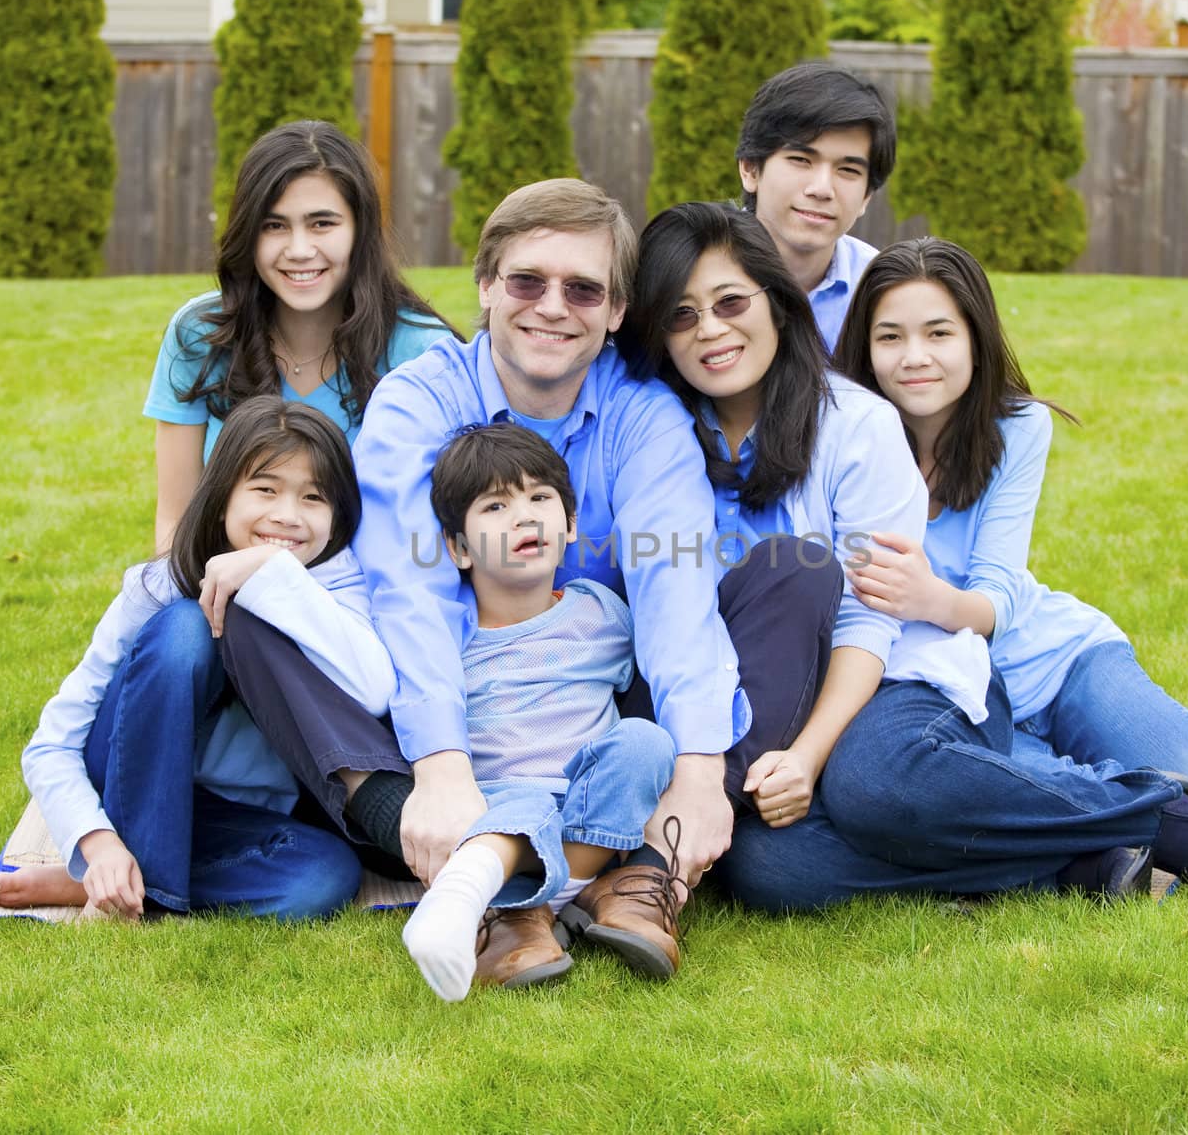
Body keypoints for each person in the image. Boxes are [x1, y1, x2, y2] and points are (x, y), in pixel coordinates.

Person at [621, 203, 1188, 910]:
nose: (710, 330)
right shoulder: (659, 435)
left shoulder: (857, 425)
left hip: (903, 673)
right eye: (681, 316)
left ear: (776, 303)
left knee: (870, 785)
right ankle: (1076, 862)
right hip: (766, 697)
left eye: (730, 302)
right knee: (768, 867)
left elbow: (870, 621)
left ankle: (1148, 810)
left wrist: (807, 758)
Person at [221, 179, 772, 978]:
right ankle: (563, 866)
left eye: (584, 289)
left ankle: (578, 874)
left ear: (617, 311)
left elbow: (672, 590)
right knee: (264, 622)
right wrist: (442, 767)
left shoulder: (644, 413)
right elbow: (411, 590)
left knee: (772, 599)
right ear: (485, 287)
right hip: (442, 699)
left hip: (590, 696)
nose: (553, 306)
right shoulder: (418, 399)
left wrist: (696, 772)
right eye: (527, 281)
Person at [832, 236, 1188, 831]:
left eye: (939, 333)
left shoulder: (1017, 428)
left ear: (976, 341)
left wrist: (930, 599)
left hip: (1051, 657)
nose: (915, 356)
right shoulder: (847, 439)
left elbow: (1000, 589)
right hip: (953, 694)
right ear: (865, 347)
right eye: (891, 336)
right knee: (1062, 789)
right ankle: (1185, 769)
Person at [0, 398, 394, 921]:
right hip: (132, 779)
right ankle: (114, 865)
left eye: (313, 498)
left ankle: (107, 885)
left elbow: (374, 689)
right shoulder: (159, 585)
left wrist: (273, 569)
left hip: (239, 817)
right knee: (187, 629)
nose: (287, 515)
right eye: (265, 489)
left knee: (324, 878)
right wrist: (97, 841)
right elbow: (51, 745)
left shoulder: (337, 582)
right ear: (222, 495)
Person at [399, 424, 675, 1001]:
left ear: (569, 524)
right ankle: (528, 898)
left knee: (644, 741)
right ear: (459, 548)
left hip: (591, 801)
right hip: (501, 805)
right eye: (496, 505)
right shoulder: (449, 635)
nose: (523, 517)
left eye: (540, 499)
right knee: (523, 806)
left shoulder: (603, 612)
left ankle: (521, 909)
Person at [144, 120, 454, 550]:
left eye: (322, 223)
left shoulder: (424, 351)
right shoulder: (200, 334)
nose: (299, 249)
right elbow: (177, 521)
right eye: (274, 226)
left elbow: (431, 534)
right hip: (227, 588)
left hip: (362, 599)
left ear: (359, 230)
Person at [736, 62, 895, 351]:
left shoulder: (886, 288)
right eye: (800, 160)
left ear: (867, 197)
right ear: (750, 169)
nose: (822, 189)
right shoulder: (691, 273)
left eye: (848, 170)